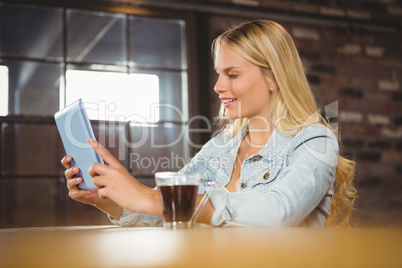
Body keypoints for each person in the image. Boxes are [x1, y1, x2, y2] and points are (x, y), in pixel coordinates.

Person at [62, 19, 357, 227]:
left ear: (273, 77)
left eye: (232, 74)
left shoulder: (315, 141)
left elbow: (278, 213)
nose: (217, 86)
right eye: (218, 73)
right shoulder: (220, 147)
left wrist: (148, 197)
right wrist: (106, 198)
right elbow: (165, 214)